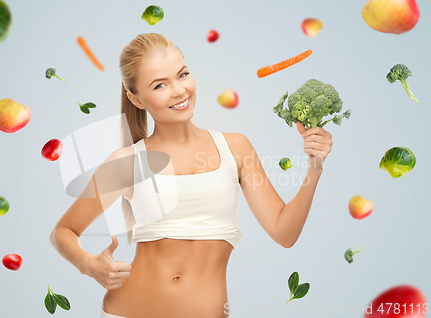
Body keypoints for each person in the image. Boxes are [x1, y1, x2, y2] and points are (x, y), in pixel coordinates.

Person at [49, 33, 333, 318]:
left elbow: (284, 233)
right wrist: (89, 264)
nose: (178, 91)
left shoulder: (235, 148)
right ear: (135, 99)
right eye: (160, 85)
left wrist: (314, 168)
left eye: (182, 75)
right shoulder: (127, 162)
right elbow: (63, 232)